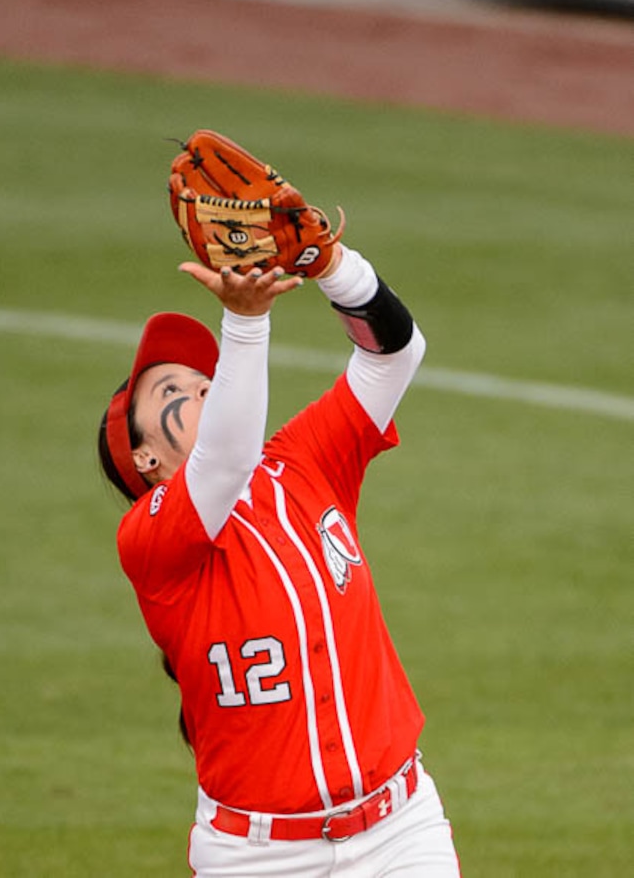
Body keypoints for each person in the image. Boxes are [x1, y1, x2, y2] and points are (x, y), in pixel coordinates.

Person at [98, 237, 462, 877]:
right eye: (171, 390)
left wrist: (331, 264)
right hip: (257, 858)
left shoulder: (303, 464)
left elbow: (395, 353)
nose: (201, 384)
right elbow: (224, 460)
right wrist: (244, 320)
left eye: (205, 376)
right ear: (145, 459)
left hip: (401, 830)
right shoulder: (151, 541)